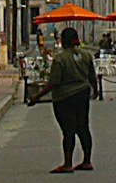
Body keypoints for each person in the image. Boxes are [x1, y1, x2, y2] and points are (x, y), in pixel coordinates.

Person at [37, 27, 99, 173]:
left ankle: (68, 163)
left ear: (63, 41)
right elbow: (92, 76)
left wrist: (36, 96)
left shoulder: (60, 59)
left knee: (68, 130)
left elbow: (53, 82)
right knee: (83, 127)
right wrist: (95, 90)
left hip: (64, 98)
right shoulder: (86, 55)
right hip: (82, 94)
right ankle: (87, 161)